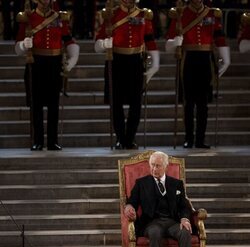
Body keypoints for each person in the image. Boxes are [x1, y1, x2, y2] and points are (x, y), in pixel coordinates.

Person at [94, 0, 160, 149]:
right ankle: (120, 138)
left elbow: (149, 40)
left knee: (135, 103)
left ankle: (130, 138)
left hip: (136, 61)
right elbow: (97, 43)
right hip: (116, 60)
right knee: (116, 103)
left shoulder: (143, 15)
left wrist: (155, 62)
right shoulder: (111, 14)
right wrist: (105, 44)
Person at [15, 0, 79, 151]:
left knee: (53, 105)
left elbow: (68, 40)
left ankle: (52, 141)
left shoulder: (59, 18)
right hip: (35, 63)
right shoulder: (28, 17)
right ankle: (37, 141)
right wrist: (24, 44)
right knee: (36, 105)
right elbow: (17, 45)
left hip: (54, 64)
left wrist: (72, 59)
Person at [165, 0, 230, 149]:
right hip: (188, 59)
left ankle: (200, 139)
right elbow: (168, 42)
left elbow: (219, 37)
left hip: (206, 59)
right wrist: (176, 42)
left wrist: (226, 59)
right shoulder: (180, 13)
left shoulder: (212, 13)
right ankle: (189, 138)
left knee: (203, 104)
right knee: (188, 103)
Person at [124, 151, 192, 247]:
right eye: (152, 165)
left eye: (158, 166)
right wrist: (129, 207)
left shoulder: (177, 184)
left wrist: (184, 219)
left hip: (172, 222)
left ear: (166, 166)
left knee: (185, 231)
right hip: (151, 223)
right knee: (155, 232)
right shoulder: (141, 183)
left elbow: (184, 206)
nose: (154, 169)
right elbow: (132, 201)